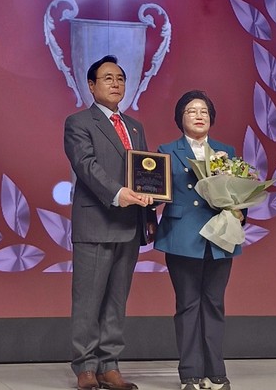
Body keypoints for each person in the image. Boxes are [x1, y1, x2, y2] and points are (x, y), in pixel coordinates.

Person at [64, 54, 157, 390]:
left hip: (129, 225)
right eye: (107, 78)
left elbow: (146, 174)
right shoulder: (78, 122)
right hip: (96, 223)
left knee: (117, 300)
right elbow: (86, 166)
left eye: (120, 79)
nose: (116, 84)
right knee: (88, 300)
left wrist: (150, 209)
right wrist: (119, 194)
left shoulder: (134, 127)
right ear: (91, 85)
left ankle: (109, 365)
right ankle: (86, 366)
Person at [154, 90, 244, 390]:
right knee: (188, 304)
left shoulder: (226, 151)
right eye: (191, 111)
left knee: (215, 303)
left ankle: (216, 370)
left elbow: (239, 191)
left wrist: (240, 210)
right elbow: (157, 191)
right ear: (180, 118)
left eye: (204, 111)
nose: (198, 115)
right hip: (182, 236)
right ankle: (190, 373)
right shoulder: (167, 151)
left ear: (211, 118)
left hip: (219, 237)